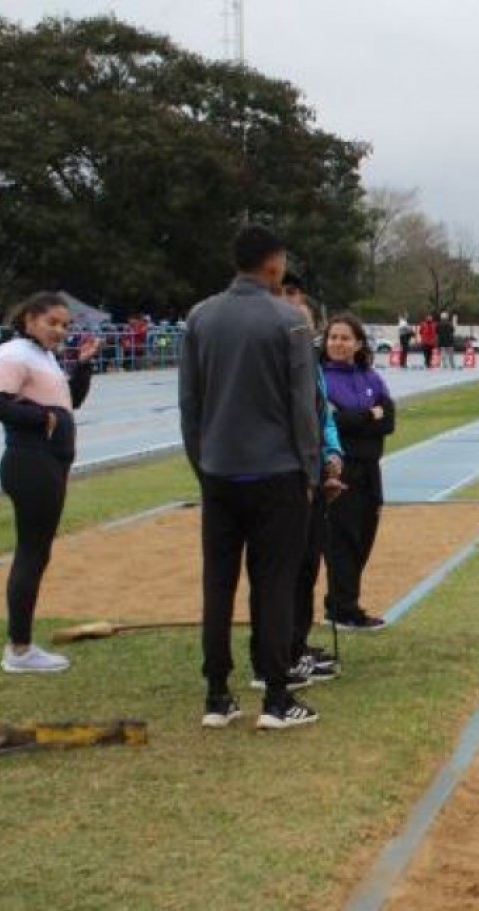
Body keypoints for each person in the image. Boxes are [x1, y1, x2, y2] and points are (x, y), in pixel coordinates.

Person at [180, 225, 323, 730]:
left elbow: (190, 403)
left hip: (219, 471)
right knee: (275, 582)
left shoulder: (200, 317)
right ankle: (277, 696)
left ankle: (217, 694)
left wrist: (203, 464)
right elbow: (302, 406)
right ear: (273, 263)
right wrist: (311, 468)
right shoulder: (290, 321)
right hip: (277, 471)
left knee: (218, 583)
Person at [0, 293, 100, 673]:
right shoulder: (14, 354)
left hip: (48, 462)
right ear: (30, 319)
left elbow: (70, 403)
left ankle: (21, 646)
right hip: (30, 462)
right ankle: (19, 650)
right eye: (52, 322)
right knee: (31, 554)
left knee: (36, 552)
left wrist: (83, 366)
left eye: (65, 325)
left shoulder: (42, 356)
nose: (60, 330)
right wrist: (39, 418)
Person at [279, 273, 346, 685]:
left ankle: (297, 644)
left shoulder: (313, 366)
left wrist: (332, 454)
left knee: (308, 566)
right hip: (291, 475)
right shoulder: (281, 364)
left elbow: (323, 417)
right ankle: (279, 654)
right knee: (288, 569)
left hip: (316, 470)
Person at [321, 313, 394, 630]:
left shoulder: (371, 378)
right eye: (333, 337)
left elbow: (388, 420)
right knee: (342, 540)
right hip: (340, 470)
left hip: (370, 470)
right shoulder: (321, 378)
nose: (337, 343)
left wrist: (358, 419)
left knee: (364, 536)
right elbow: (334, 423)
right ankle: (342, 608)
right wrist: (368, 416)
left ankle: (343, 602)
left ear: (358, 343)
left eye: (345, 338)